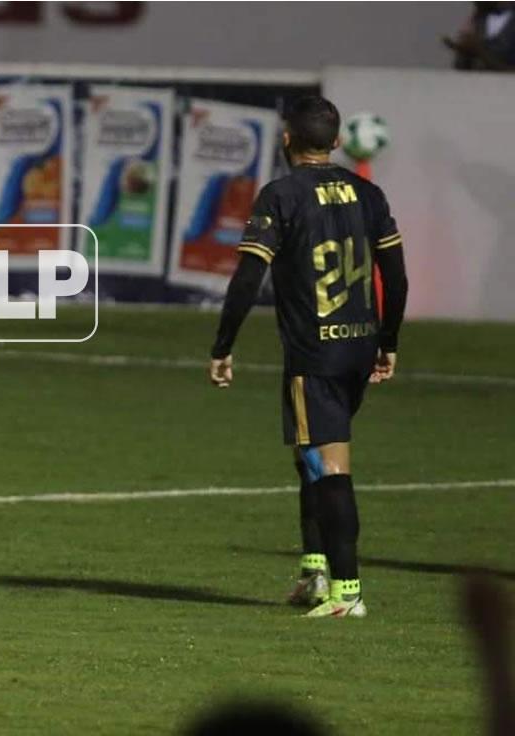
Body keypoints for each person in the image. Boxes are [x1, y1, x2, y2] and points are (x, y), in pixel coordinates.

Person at [208, 96, 409, 618]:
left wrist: (223, 346)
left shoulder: (281, 195)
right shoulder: (368, 193)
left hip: (315, 353)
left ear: (287, 139)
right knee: (310, 457)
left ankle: (347, 594)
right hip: (359, 346)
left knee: (329, 464)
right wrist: (388, 343)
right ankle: (315, 572)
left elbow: (249, 277)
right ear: (338, 141)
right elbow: (397, 276)